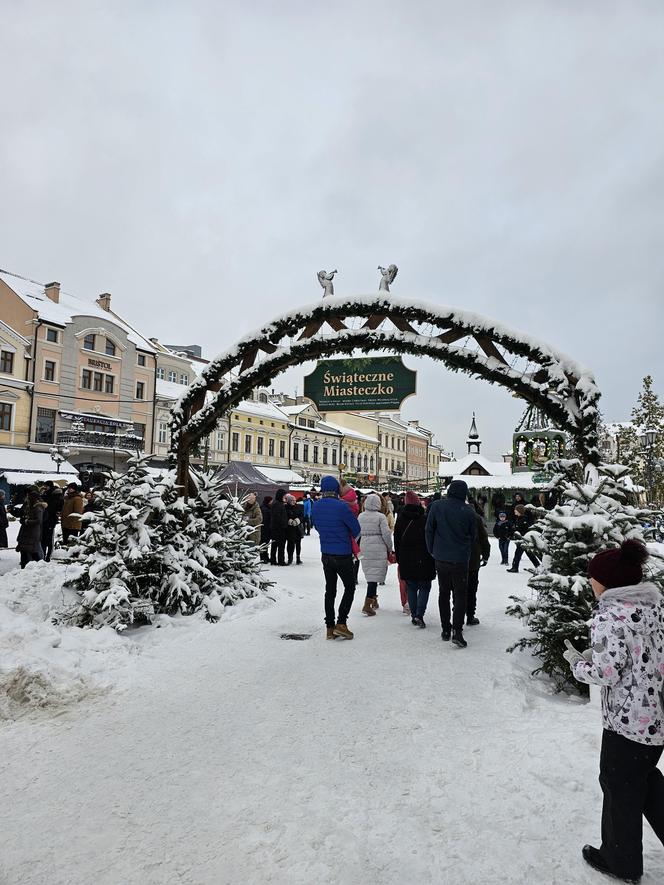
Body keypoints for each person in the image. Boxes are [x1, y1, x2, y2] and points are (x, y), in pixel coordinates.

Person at [563, 540, 664, 884]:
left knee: (618, 784)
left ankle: (619, 860)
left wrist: (578, 663)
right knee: (645, 780)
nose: (590, 582)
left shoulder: (609, 616)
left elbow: (606, 673)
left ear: (607, 582)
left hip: (626, 722)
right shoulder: (652, 608)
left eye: (593, 577)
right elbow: (638, 653)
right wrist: (601, 652)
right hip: (654, 720)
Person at [425, 479, 476, 648]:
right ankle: (457, 631)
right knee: (460, 595)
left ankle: (445, 629)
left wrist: (432, 549)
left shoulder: (437, 506)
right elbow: (473, 536)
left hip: (441, 557)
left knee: (443, 593)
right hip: (460, 559)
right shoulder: (468, 511)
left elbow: (429, 529)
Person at [311, 476, 361, 640]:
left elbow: (316, 525)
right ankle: (341, 623)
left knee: (330, 590)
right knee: (349, 587)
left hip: (326, 553)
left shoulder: (316, 506)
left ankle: (329, 628)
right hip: (343, 554)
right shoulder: (341, 507)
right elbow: (356, 529)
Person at [394, 490, 436, 627]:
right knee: (424, 586)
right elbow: (431, 538)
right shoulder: (425, 519)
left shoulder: (400, 519)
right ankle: (419, 614)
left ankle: (414, 615)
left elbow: (397, 541)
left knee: (411, 587)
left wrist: (400, 559)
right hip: (424, 557)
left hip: (406, 557)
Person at [358, 493, 394, 616]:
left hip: (365, 545)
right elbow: (386, 534)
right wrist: (390, 547)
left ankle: (374, 600)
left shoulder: (361, 516)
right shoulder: (381, 517)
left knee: (371, 574)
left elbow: (357, 533)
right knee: (375, 575)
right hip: (378, 546)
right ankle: (367, 604)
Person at [467, 503, 491, 626]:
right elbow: (483, 538)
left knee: (458, 589)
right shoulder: (476, 518)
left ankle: (458, 612)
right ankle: (470, 615)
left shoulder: (455, 516)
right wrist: (486, 555)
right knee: (472, 588)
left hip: (457, 559)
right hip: (473, 559)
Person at [16, 487, 45, 568]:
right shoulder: (30, 507)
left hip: (32, 533)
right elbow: (25, 515)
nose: (27, 499)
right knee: (24, 550)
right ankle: (24, 567)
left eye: (28, 498)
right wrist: (23, 519)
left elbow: (38, 520)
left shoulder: (38, 507)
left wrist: (27, 521)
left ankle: (40, 567)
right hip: (26, 532)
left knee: (33, 551)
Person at [506, 504, 541, 573]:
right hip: (521, 539)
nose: (514, 511)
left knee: (518, 554)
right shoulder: (519, 518)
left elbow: (525, 529)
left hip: (523, 539)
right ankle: (538, 566)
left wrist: (519, 534)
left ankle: (515, 567)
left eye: (516, 510)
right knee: (529, 554)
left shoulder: (524, 519)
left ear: (520, 511)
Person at [41, 482, 63, 562]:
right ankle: (43, 555)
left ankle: (48, 556)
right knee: (43, 538)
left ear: (50, 486)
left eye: (46, 486)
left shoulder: (56, 495)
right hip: (44, 519)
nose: (45, 487)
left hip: (51, 519)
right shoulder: (45, 494)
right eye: (44, 486)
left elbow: (56, 507)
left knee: (49, 539)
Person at [269, 488, 288, 566]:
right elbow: (278, 517)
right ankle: (281, 561)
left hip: (275, 528)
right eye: (284, 495)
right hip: (279, 529)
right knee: (281, 546)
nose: (284, 497)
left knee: (274, 545)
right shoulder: (278, 504)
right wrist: (283, 525)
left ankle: (273, 560)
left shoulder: (276, 503)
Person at [284, 493, 304, 565]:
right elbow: (284, 516)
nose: (294, 501)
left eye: (295, 500)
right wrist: (289, 520)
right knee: (290, 544)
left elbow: (302, 516)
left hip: (298, 528)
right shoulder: (286, 507)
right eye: (292, 500)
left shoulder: (298, 507)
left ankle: (298, 558)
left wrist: (298, 520)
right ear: (289, 501)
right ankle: (290, 558)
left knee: (298, 544)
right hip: (290, 529)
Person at [259, 495, 272, 563]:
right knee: (264, 543)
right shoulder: (265, 509)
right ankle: (263, 557)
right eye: (271, 501)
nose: (271, 502)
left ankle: (265, 557)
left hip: (266, 528)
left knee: (265, 543)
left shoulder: (266, 507)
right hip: (264, 528)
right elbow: (265, 520)